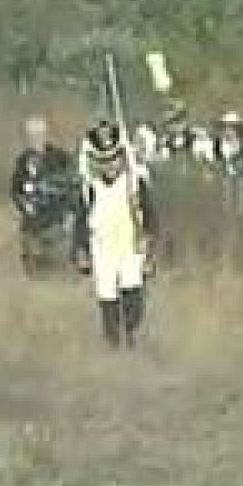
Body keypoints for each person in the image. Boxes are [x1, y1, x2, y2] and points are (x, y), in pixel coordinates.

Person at [72, 122, 157, 348]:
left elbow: (150, 215)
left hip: (130, 244)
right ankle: (113, 339)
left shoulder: (135, 183)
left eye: (113, 159)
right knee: (107, 296)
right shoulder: (90, 188)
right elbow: (80, 221)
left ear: (121, 158)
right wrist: (81, 250)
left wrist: (149, 239)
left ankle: (129, 331)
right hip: (102, 246)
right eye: (103, 160)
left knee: (133, 296)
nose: (110, 165)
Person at [9, 115, 77, 274]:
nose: (35, 139)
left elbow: (73, 186)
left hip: (57, 222)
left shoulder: (60, 158)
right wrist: (24, 205)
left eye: (38, 134)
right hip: (33, 224)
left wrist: (69, 213)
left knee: (59, 267)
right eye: (31, 136)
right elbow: (15, 190)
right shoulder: (22, 162)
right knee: (35, 269)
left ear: (45, 135)